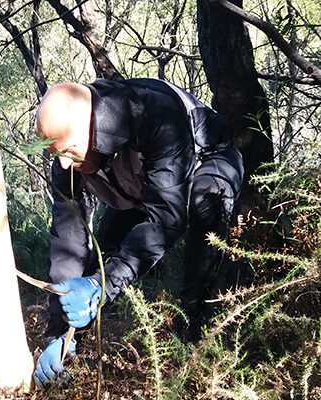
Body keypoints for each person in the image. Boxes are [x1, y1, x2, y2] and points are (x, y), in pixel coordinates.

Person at [32, 79, 244, 389]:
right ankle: (69, 354)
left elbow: (166, 218)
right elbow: (68, 241)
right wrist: (57, 332)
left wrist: (102, 284)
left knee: (205, 208)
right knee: (101, 260)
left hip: (208, 161)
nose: (63, 162)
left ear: (90, 125)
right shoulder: (68, 158)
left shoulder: (153, 113)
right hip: (139, 184)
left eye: (67, 149)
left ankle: (195, 334)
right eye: (55, 152)